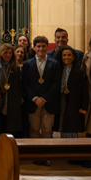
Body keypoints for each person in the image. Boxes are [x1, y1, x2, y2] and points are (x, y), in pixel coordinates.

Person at [22, 36, 61, 165]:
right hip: (33, 102)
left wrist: (45, 98)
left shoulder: (54, 63)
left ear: (47, 47)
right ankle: (35, 155)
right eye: (38, 46)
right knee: (34, 129)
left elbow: (56, 83)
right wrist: (35, 98)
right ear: (34, 48)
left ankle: (45, 156)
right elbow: (25, 84)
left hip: (49, 102)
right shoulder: (27, 64)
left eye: (43, 46)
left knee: (47, 130)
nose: (41, 49)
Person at [54, 46, 89, 139]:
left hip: (74, 101)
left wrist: (84, 106)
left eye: (69, 55)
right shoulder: (57, 70)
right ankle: (63, 143)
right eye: (64, 55)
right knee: (62, 122)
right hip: (61, 99)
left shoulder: (80, 72)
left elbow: (85, 90)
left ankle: (72, 144)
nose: (67, 57)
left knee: (72, 124)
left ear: (73, 57)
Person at [0, 44, 25, 138]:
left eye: (10, 53)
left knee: (11, 124)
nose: (8, 55)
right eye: (5, 53)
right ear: (1, 53)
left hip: (12, 97)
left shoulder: (15, 68)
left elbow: (19, 85)